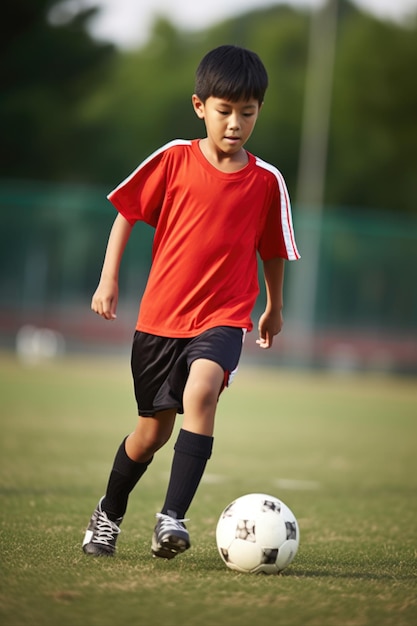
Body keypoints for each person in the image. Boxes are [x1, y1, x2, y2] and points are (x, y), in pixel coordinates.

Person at [82, 44, 300, 560]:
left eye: (246, 114)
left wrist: (274, 306)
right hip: (159, 321)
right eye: (224, 112)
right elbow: (125, 213)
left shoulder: (268, 181)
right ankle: (109, 511)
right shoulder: (174, 158)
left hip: (224, 318)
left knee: (202, 392)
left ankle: (171, 518)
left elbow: (273, 249)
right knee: (149, 433)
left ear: (258, 113)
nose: (235, 124)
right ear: (200, 106)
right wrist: (107, 279)